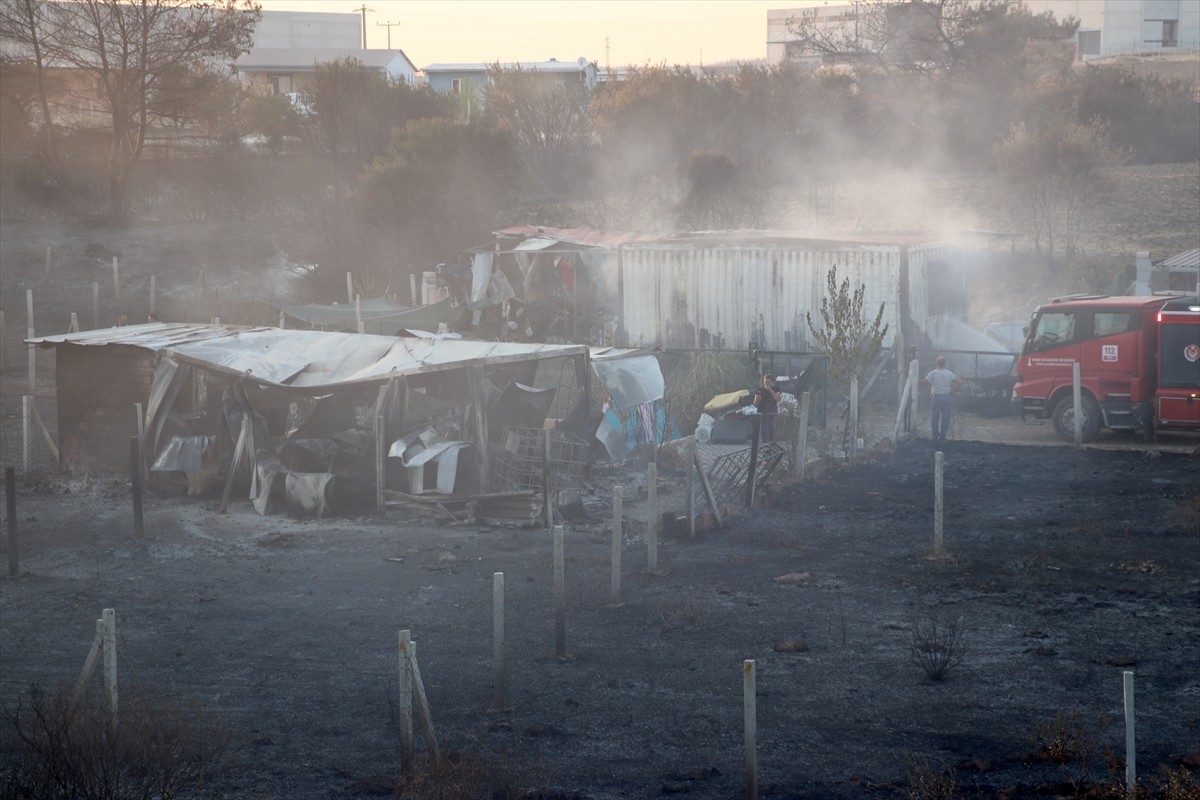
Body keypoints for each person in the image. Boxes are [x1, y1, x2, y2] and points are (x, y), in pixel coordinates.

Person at [922, 356, 962, 441]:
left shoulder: (933, 373)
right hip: (947, 396)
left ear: (936, 363)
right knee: (946, 417)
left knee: (935, 416)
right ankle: (943, 436)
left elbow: (924, 383)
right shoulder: (949, 373)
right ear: (945, 364)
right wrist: (953, 391)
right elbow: (959, 382)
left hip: (937, 397)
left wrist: (914, 379)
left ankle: (935, 435)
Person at [753, 372, 780, 442]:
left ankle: (772, 445)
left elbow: (777, 399)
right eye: (765, 382)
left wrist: (770, 390)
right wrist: (756, 400)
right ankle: (765, 446)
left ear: (772, 382)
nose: (767, 384)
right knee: (764, 431)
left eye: (769, 382)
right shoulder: (760, 390)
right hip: (763, 413)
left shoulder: (776, 389)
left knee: (772, 430)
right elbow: (755, 404)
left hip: (772, 413)